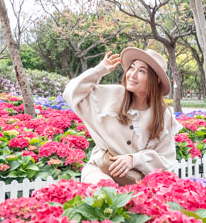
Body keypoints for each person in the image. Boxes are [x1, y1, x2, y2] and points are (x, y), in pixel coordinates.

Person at [63, 48, 180, 186]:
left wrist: (134, 159)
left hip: (135, 179)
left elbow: (167, 160)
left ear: (157, 80)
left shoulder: (163, 115)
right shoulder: (110, 95)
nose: (132, 74)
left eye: (142, 71)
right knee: (106, 188)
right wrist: (100, 70)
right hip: (101, 169)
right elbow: (71, 93)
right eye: (132, 68)